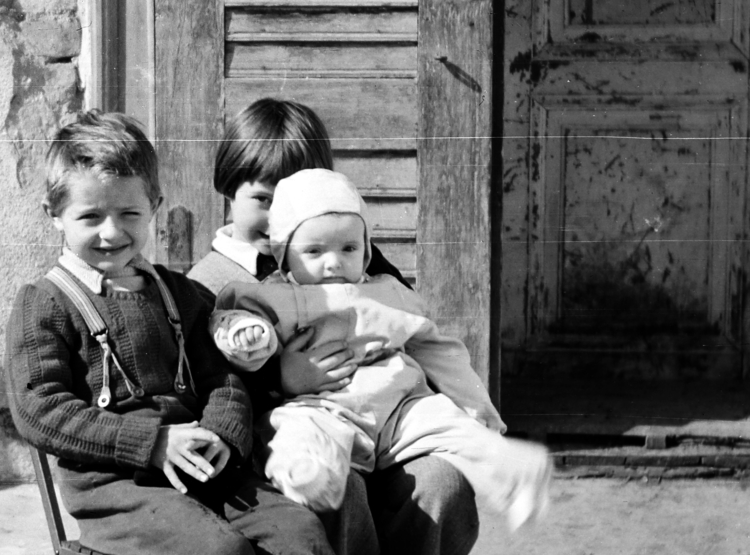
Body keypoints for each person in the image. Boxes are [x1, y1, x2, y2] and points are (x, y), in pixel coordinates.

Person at [4, 111, 441, 555]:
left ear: (153, 207)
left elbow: (226, 380)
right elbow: (40, 411)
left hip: (205, 465)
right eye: (91, 217)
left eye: (129, 213)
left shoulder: (182, 294)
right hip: (120, 490)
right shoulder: (45, 305)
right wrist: (152, 441)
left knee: (296, 523)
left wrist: (223, 432)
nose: (112, 233)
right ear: (53, 214)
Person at [187, 99, 484, 555]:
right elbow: (204, 386)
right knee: (333, 484)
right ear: (229, 189)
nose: (282, 215)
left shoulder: (354, 260)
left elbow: (410, 326)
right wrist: (278, 379)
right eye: (263, 199)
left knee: (445, 481)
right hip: (288, 455)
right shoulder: (211, 283)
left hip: (383, 432)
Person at [209, 168, 552, 529]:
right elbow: (231, 321)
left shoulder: (388, 290)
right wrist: (248, 335)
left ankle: (512, 471)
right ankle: (310, 475)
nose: (334, 262)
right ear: (284, 255)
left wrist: (476, 409)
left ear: (366, 249)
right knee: (294, 428)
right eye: (313, 250)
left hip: (400, 406)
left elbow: (437, 348)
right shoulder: (271, 294)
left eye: (349, 248)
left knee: (450, 425)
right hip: (327, 407)